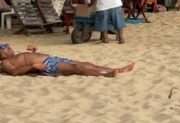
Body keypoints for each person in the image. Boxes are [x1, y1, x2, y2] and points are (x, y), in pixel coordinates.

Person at [0, 43, 134, 77]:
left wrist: (36, 51)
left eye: (7, 45)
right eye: (3, 47)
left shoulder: (16, 55)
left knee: (84, 63)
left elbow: (35, 57)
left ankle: (116, 70)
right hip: (47, 66)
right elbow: (14, 72)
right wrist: (32, 65)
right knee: (77, 68)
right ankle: (106, 74)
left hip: (51, 60)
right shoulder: (5, 63)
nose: (7, 47)